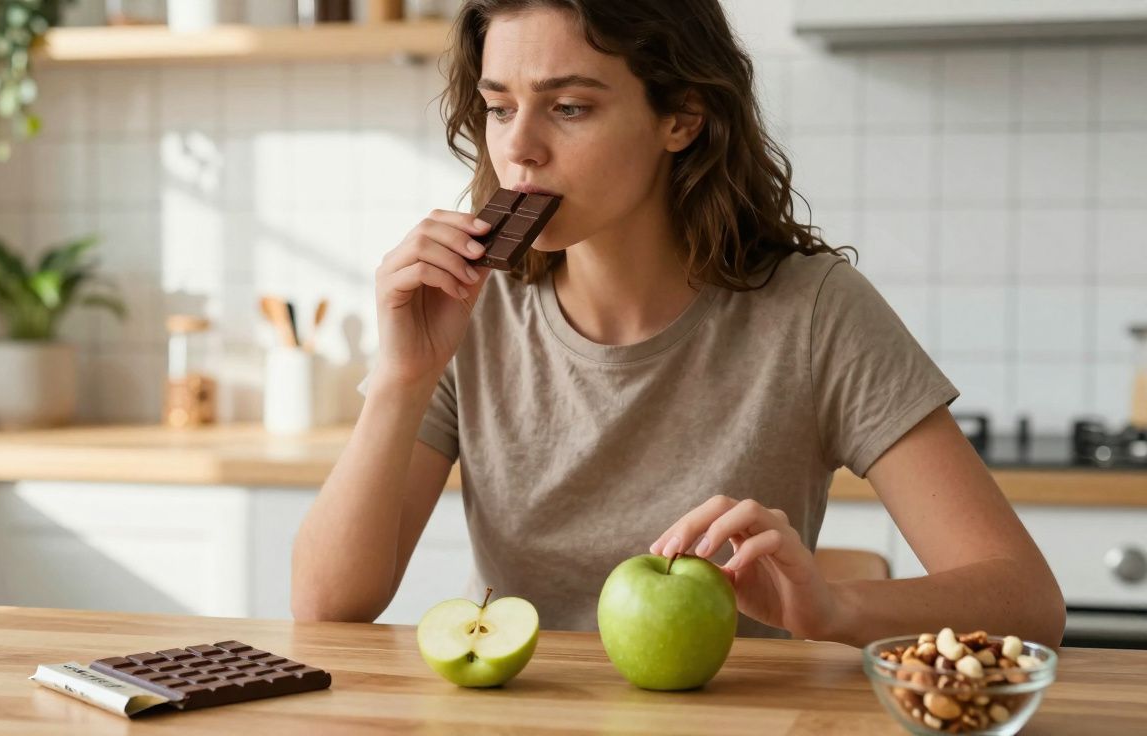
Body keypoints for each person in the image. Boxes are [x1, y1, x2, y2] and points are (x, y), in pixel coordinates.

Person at [291, 0, 1065, 645]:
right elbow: (326, 608)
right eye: (498, 108)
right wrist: (402, 376)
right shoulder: (472, 308)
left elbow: (1027, 603)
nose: (518, 149)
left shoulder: (815, 310)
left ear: (682, 118)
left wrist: (834, 609)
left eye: (569, 107)